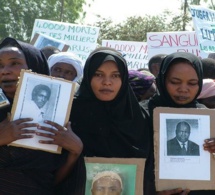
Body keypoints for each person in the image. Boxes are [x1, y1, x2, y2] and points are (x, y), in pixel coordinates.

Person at [0, 37, 86, 194]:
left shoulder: (63, 114)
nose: (5, 70)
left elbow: (52, 180)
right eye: (0, 65)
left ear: (35, 65)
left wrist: (75, 152)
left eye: (14, 63)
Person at [69, 48, 155, 194]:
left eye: (115, 75)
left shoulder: (139, 119)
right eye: (98, 74)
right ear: (88, 76)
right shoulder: (70, 114)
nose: (107, 82)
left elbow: (148, 173)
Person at [147, 52, 215, 195]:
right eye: (175, 82)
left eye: (192, 83)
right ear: (163, 80)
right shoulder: (143, 114)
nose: (183, 89)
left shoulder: (207, 118)